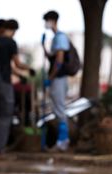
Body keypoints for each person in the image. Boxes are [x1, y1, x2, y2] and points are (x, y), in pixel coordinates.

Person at [0, 19, 35, 156]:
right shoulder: (10, 43)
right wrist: (29, 69)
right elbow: (17, 64)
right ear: (13, 30)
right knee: (5, 117)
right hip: (4, 83)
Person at [43, 10, 70, 151]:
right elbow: (53, 57)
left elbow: (59, 60)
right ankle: (61, 141)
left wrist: (51, 77)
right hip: (56, 78)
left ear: (52, 20)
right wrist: (44, 47)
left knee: (59, 109)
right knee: (57, 108)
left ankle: (63, 141)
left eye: (46, 21)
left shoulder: (60, 37)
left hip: (58, 79)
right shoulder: (55, 38)